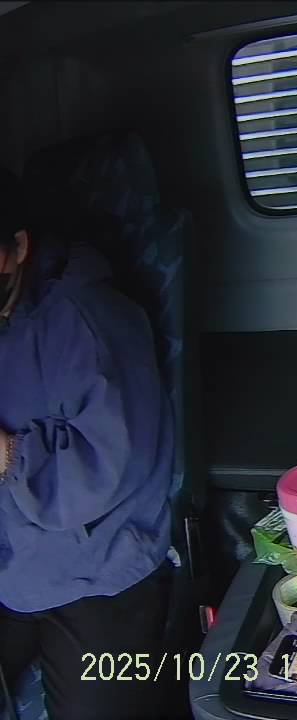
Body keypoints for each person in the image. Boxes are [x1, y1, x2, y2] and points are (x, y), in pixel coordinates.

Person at [0, 169, 177, 719]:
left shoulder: (89, 318)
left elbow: (104, 465)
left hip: (97, 563)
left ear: (18, 248)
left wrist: (7, 454)